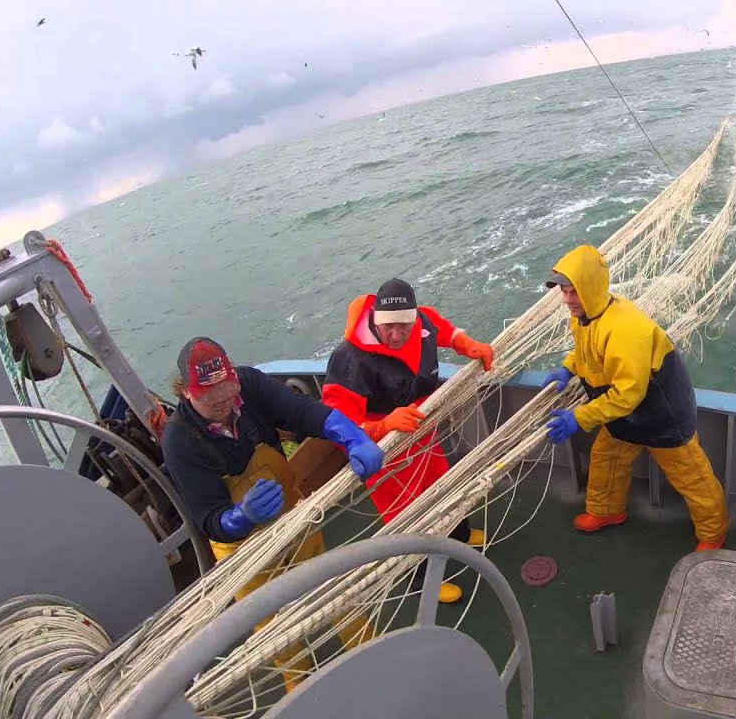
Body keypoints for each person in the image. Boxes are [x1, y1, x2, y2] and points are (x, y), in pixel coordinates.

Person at [161, 337, 385, 692]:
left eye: (228, 392)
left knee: (332, 588)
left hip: (292, 517)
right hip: (243, 551)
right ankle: (300, 685)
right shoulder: (178, 442)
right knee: (274, 625)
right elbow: (208, 518)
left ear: (235, 378)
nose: (223, 404)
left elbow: (302, 411)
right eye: (210, 399)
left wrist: (352, 436)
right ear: (187, 394)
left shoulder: (250, 385)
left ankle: (372, 651)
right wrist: (241, 518)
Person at [540, 245, 729, 551]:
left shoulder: (626, 329)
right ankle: (607, 512)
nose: (567, 300)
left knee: (691, 476)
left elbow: (628, 394)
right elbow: (586, 352)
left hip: (660, 412)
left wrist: (580, 417)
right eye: (563, 291)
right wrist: (567, 368)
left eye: (573, 292)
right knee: (606, 458)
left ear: (590, 289)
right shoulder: (584, 316)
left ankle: (713, 533)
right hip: (623, 413)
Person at [322, 278, 495, 603]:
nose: (397, 335)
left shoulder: (423, 323)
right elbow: (337, 424)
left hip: (421, 430)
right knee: (406, 512)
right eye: (389, 327)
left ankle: (459, 533)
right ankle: (421, 577)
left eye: (404, 326)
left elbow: (446, 331)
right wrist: (383, 425)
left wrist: (469, 344)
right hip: (383, 450)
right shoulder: (349, 359)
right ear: (375, 319)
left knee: (442, 484)